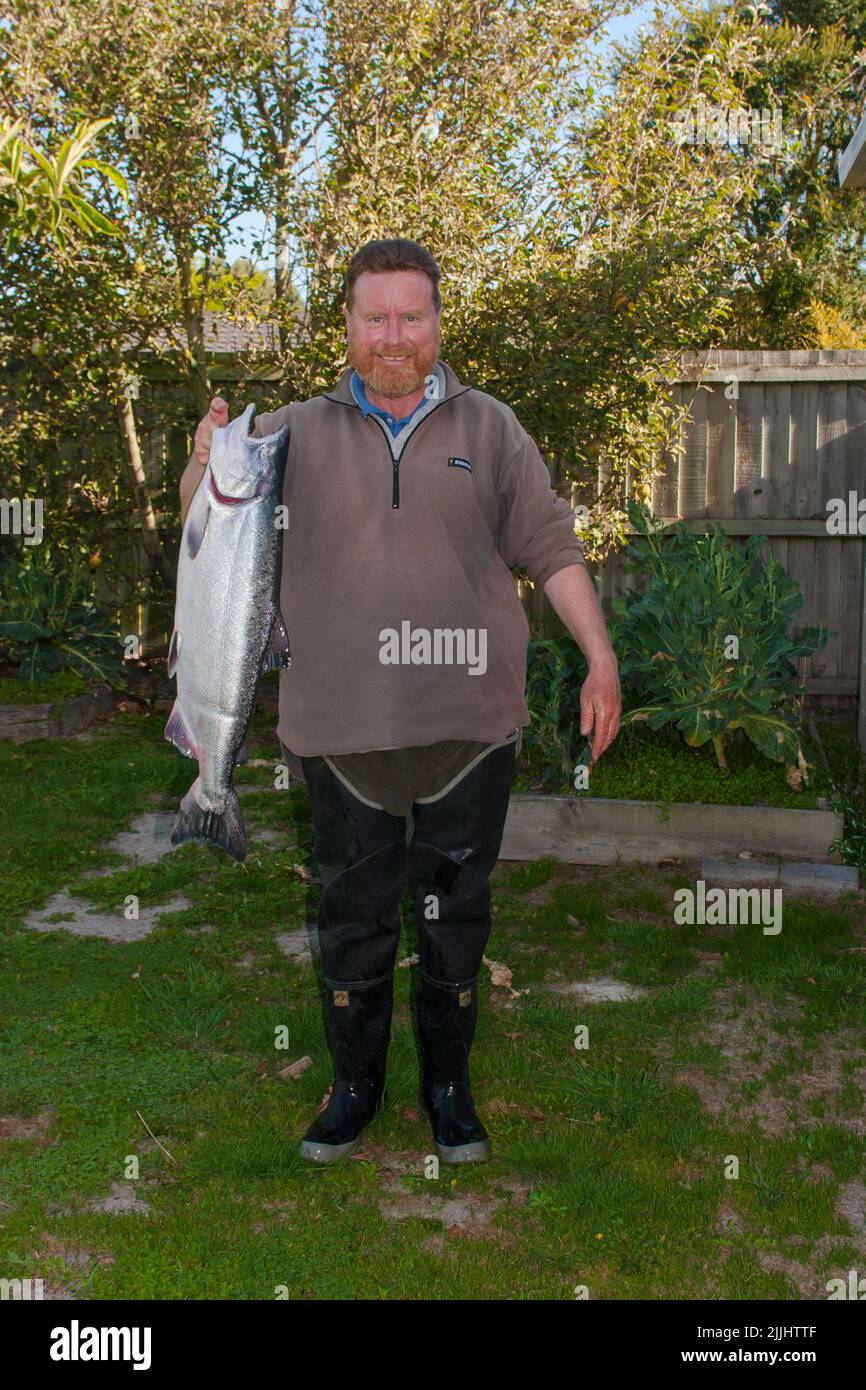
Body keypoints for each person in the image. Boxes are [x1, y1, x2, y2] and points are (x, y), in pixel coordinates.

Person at [179, 237, 621, 1165]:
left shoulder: (492, 428)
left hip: (471, 731)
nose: (393, 336)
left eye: (411, 316)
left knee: (457, 921)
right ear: (345, 325)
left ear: (436, 323)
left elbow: (552, 548)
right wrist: (197, 462)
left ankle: (450, 1091)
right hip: (342, 737)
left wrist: (599, 657)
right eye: (374, 316)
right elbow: (208, 517)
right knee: (354, 922)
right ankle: (354, 1090)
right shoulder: (289, 433)